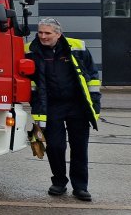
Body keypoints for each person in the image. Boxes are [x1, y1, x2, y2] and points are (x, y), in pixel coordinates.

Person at [25, 18, 101, 202]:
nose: (43, 36)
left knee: (79, 147)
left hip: (78, 105)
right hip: (50, 106)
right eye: (40, 32)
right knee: (55, 146)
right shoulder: (29, 50)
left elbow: (92, 78)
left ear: (58, 34)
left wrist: (95, 106)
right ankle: (59, 182)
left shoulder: (77, 47)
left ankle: (81, 187)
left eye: (47, 33)